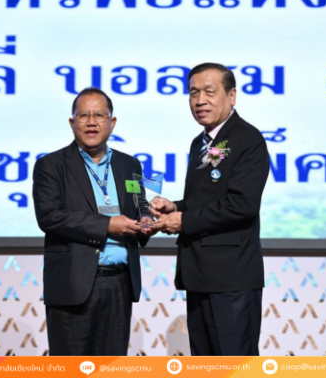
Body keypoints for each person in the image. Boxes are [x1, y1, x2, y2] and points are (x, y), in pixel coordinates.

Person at [151, 63, 270, 356]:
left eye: (209, 92)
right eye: (193, 93)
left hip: (231, 278)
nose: (200, 100)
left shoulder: (247, 139)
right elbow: (205, 200)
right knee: (203, 367)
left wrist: (184, 220)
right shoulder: (200, 143)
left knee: (234, 368)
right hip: (200, 275)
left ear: (232, 95)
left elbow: (241, 205)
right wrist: (174, 207)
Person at [33, 87, 150, 356]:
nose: (91, 122)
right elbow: (50, 216)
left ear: (112, 122)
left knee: (111, 368)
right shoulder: (51, 165)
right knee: (71, 370)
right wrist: (107, 225)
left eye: (99, 115)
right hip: (74, 284)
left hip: (120, 283)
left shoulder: (129, 165)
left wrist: (147, 219)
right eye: (84, 115)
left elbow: (139, 204)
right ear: (72, 122)